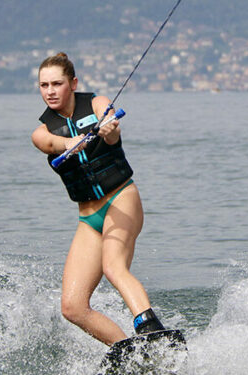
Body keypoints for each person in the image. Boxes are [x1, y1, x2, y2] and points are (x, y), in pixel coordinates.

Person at [31, 52, 166, 346]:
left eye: (57, 83)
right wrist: (71, 142)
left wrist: (108, 128)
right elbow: (52, 144)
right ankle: (126, 349)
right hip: (88, 217)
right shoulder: (41, 132)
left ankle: (151, 328)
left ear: (73, 83)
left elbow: (111, 124)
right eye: (44, 85)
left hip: (121, 198)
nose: (50, 91)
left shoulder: (96, 103)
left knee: (113, 266)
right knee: (72, 306)